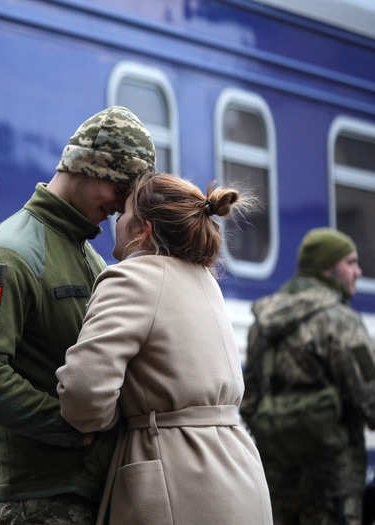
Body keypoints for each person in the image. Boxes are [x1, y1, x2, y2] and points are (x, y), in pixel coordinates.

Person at [0, 106, 156, 524]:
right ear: (89, 168)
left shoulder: (88, 255)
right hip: (43, 499)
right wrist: (72, 429)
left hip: (94, 488)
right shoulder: (8, 255)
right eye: (119, 189)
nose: (120, 208)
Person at [56, 173, 273, 525]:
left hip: (174, 474)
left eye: (124, 212)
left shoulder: (132, 277)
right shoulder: (205, 280)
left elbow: (83, 394)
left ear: (144, 230)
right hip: (239, 470)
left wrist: (111, 418)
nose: (117, 220)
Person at [241, 227, 375, 525]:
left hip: (276, 481)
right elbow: (371, 400)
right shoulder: (342, 321)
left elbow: (248, 401)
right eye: (350, 263)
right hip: (332, 484)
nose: (358, 272)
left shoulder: (262, 322)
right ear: (327, 268)